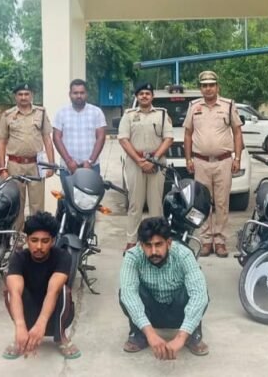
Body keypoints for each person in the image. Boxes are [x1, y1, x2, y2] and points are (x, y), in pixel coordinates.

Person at [119, 217, 209, 360]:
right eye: (148, 245)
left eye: (159, 244)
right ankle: (140, 334)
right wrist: (151, 334)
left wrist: (180, 337)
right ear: (141, 245)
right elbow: (128, 294)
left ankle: (192, 334)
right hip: (150, 312)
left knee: (199, 291)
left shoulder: (184, 254)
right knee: (126, 292)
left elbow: (199, 295)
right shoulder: (132, 257)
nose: (154, 251)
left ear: (169, 243)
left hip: (178, 310)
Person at [182, 70, 243, 258]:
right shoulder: (194, 106)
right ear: (200, 88)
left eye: (211, 85)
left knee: (222, 202)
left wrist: (237, 158)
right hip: (201, 162)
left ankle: (220, 240)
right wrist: (188, 159)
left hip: (223, 161)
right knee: (202, 203)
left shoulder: (228, 105)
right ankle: (206, 240)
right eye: (204, 85)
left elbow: (237, 132)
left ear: (217, 87)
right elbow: (188, 134)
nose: (208, 89)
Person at [3, 212, 80, 361]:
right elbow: (15, 292)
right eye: (34, 240)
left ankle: (60, 337)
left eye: (45, 241)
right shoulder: (18, 258)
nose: (39, 246)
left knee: (63, 291)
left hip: (55, 311)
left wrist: (41, 324)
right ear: (27, 240)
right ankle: (21, 337)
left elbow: (53, 291)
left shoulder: (63, 257)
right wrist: (20, 326)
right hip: (28, 310)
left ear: (53, 241)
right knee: (10, 292)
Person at [117, 82, 174, 251]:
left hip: (157, 162)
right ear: (137, 97)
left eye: (147, 93)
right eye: (141, 94)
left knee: (156, 204)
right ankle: (132, 240)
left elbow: (168, 139)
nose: (144, 96)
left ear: (152, 96)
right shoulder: (129, 115)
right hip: (135, 163)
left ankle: (157, 239)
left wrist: (153, 159)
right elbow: (123, 139)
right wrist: (139, 161)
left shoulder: (162, 114)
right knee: (135, 204)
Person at [0, 82, 56, 233]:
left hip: (36, 165)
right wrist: (2, 167)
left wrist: (51, 164)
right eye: (20, 94)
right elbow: (2, 142)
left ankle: (36, 237)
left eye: (26, 94)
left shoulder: (40, 113)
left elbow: (47, 139)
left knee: (37, 205)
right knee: (16, 204)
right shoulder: (7, 115)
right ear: (15, 96)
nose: (23, 97)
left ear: (32, 95)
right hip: (15, 165)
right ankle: (17, 237)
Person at [52, 79, 107, 176]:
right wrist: (68, 161)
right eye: (75, 93)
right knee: (68, 187)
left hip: (92, 166)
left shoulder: (96, 112)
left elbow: (101, 137)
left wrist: (90, 161)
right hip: (67, 168)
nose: (79, 96)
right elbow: (56, 138)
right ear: (70, 94)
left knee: (92, 187)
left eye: (82, 93)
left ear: (86, 94)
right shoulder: (61, 113)